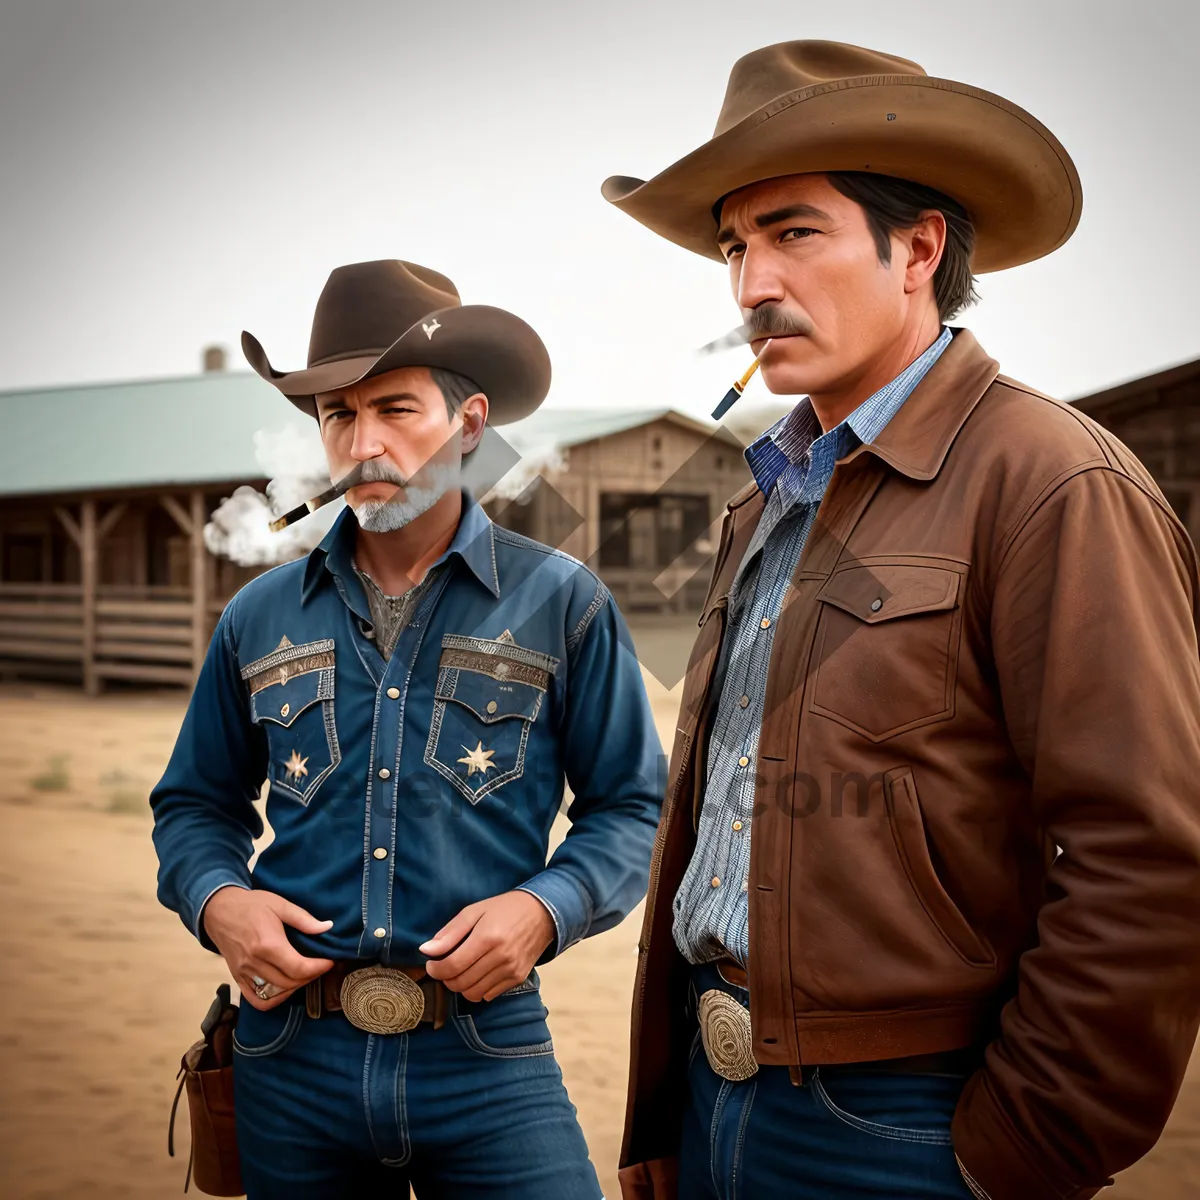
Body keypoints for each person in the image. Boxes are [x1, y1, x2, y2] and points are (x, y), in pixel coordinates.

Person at [603, 39, 1200, 1200]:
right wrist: (668, 1104)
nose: (749, 285)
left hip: (910, 1127)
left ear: (918, 246)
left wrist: (1013, 1155)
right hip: (719, 1097)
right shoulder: (762, 498)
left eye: (794, 233)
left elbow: (1150, 858)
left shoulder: (1053, 481)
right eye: (735, 246)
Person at [150, 259, 663, 1198]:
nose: (364, 443)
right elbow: (193, 805)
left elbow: (634, 807)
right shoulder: (258, 615)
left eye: (396, 409)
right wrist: (219, 900)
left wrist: (547, 908)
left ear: (469, 424)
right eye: (339, 415)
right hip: (287, 1056)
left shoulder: (564, 601)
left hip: (488, 1051)